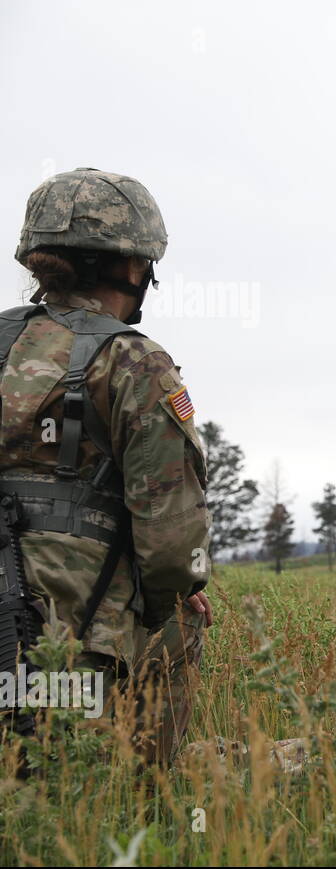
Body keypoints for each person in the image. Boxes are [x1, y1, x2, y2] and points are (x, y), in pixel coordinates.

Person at [2, 167, 212, 768]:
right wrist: (173, 599)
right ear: (131, 266)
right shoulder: (133, 362)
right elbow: (173, 545)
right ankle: (142, 798)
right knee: (181, 621)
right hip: (73, 640)